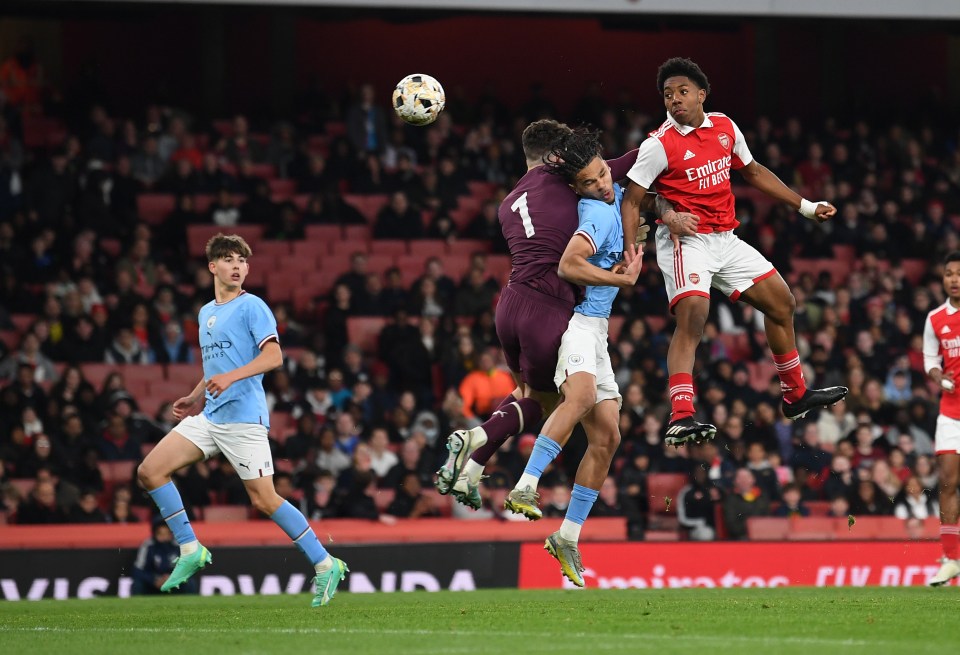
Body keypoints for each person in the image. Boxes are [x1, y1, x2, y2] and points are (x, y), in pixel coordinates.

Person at [621, 57, 848, 445]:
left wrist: (806, 206)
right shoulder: (659, 144)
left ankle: (794, 395)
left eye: (682, 92)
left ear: (702, 95)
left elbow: (754, 171)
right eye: (668, 95)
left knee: (782, 303)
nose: (674, 100)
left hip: (725, 238)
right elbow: (631, 199)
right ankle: (681, 415)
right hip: (685, 241)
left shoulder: (725, 126)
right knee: (694, 314)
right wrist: (631, 252)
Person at [434, 119, 646, 509]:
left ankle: (471, 470)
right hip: (548, 309)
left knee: (530, 395)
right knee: (550, 404)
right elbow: (634, 160)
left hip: (509, 306)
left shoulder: (506, 204)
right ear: (556, 157)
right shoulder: (565, 177)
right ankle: (478, 440)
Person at [136, 234, 348, 607]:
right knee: (150, 471)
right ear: (212, 267)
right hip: (210, 416)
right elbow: (216, 364)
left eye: (242, 261)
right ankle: (190, 548)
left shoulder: (254, 307)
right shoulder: (205, 313)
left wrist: (231, 378)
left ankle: (325, 562)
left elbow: (274, 357)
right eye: (229, 259)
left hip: (244, 420)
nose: (237, 266)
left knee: (264, 500)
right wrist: (196, 394)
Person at [501, 128, 642, 586]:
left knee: (608, 438)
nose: (602, 184)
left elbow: (638, 179)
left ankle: (567, 536)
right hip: (578, 323)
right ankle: (526, 483)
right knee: (578, 398)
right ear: (575, 187)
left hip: (598, 333)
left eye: (603, 173)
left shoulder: (614, 193)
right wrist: (624, 280)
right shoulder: (597, 214)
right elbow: (569, 264)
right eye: (590, 181)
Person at [923, 251, 960, 586]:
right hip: (950, 411)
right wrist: (938, 377)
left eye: (959, 273)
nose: (954, 278)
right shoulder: (935, 318)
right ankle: (951, 558)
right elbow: (929, 359)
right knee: (947, 482)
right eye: (949, 273)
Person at [131, 521, 188, 595]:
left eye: (167, 534)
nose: (164, 537)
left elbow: (186, 569)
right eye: (160, 534)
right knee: (138, 584)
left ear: (171, 534)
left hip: (173, 583)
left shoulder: (178, 545)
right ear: (155, 534)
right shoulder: (148, 545)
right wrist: (154, 580)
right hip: (152, 584)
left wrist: (172, 578)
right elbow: (137, 570)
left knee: (189, 583)